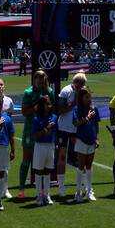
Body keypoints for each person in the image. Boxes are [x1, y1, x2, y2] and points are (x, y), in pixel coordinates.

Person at [18, 69, 51, 198]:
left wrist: (47, 104)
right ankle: (21, 189)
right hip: (30, 129)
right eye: (37, 80)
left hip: (44, 130)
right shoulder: (28, 92)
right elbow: (24, 112)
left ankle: (42, 191)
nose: (39, 83)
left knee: (42, 162)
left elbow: (52, 110)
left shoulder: (49, 91)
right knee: (26, 159)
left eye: (42, 81)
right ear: (34, 80)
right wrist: (36, 107)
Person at [54, 71, 86, 198]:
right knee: (62, 158)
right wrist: (72, 104)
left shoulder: (83, 92)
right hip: (64, 129)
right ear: (75, 82)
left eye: (83, 84)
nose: (80, 86)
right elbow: (60, 110)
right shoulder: (66, 91)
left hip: (77, 129)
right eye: (79, 84)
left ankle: (84, 186)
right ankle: (61, 187)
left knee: (80, 158)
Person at [71, 86, 100, 202]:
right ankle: (78, 191)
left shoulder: (94, 109)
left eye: (90, 96)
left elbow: (96, 125)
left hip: (91, 140)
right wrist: (87, 118)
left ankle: (89, 191)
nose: (89, 99)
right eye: (87, 97)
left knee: (89, 166)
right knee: (80, 166)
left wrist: (97, 138)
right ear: (81, 98)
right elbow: (75, 124)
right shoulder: (77, 109)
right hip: (81, 140)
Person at [29, 95, 58, 206]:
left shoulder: (54, 117)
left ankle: (47, 195)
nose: (49, 106)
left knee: (47, 171)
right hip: (40, 146)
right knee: (39, 171)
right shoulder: (37, 119)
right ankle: (39, 196)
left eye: (49, 104)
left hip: (50, 145)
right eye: (47, 104)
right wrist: (46, 129)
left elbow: (56, 132)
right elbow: (35, 136)